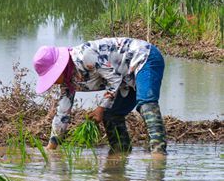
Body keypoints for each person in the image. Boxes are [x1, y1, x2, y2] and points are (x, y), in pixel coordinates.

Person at [32, 37, 167, 154]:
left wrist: (100, 108)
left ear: (59, 68)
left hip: (143, 58)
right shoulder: (67, 83)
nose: (53, 82)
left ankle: (158, 154)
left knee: (146, 103)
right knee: (111, 115)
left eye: (52, 76)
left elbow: (114, 79)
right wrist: (52, 146)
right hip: (124, 78)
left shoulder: (85, 56)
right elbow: (62, 113)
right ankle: (121, 154)